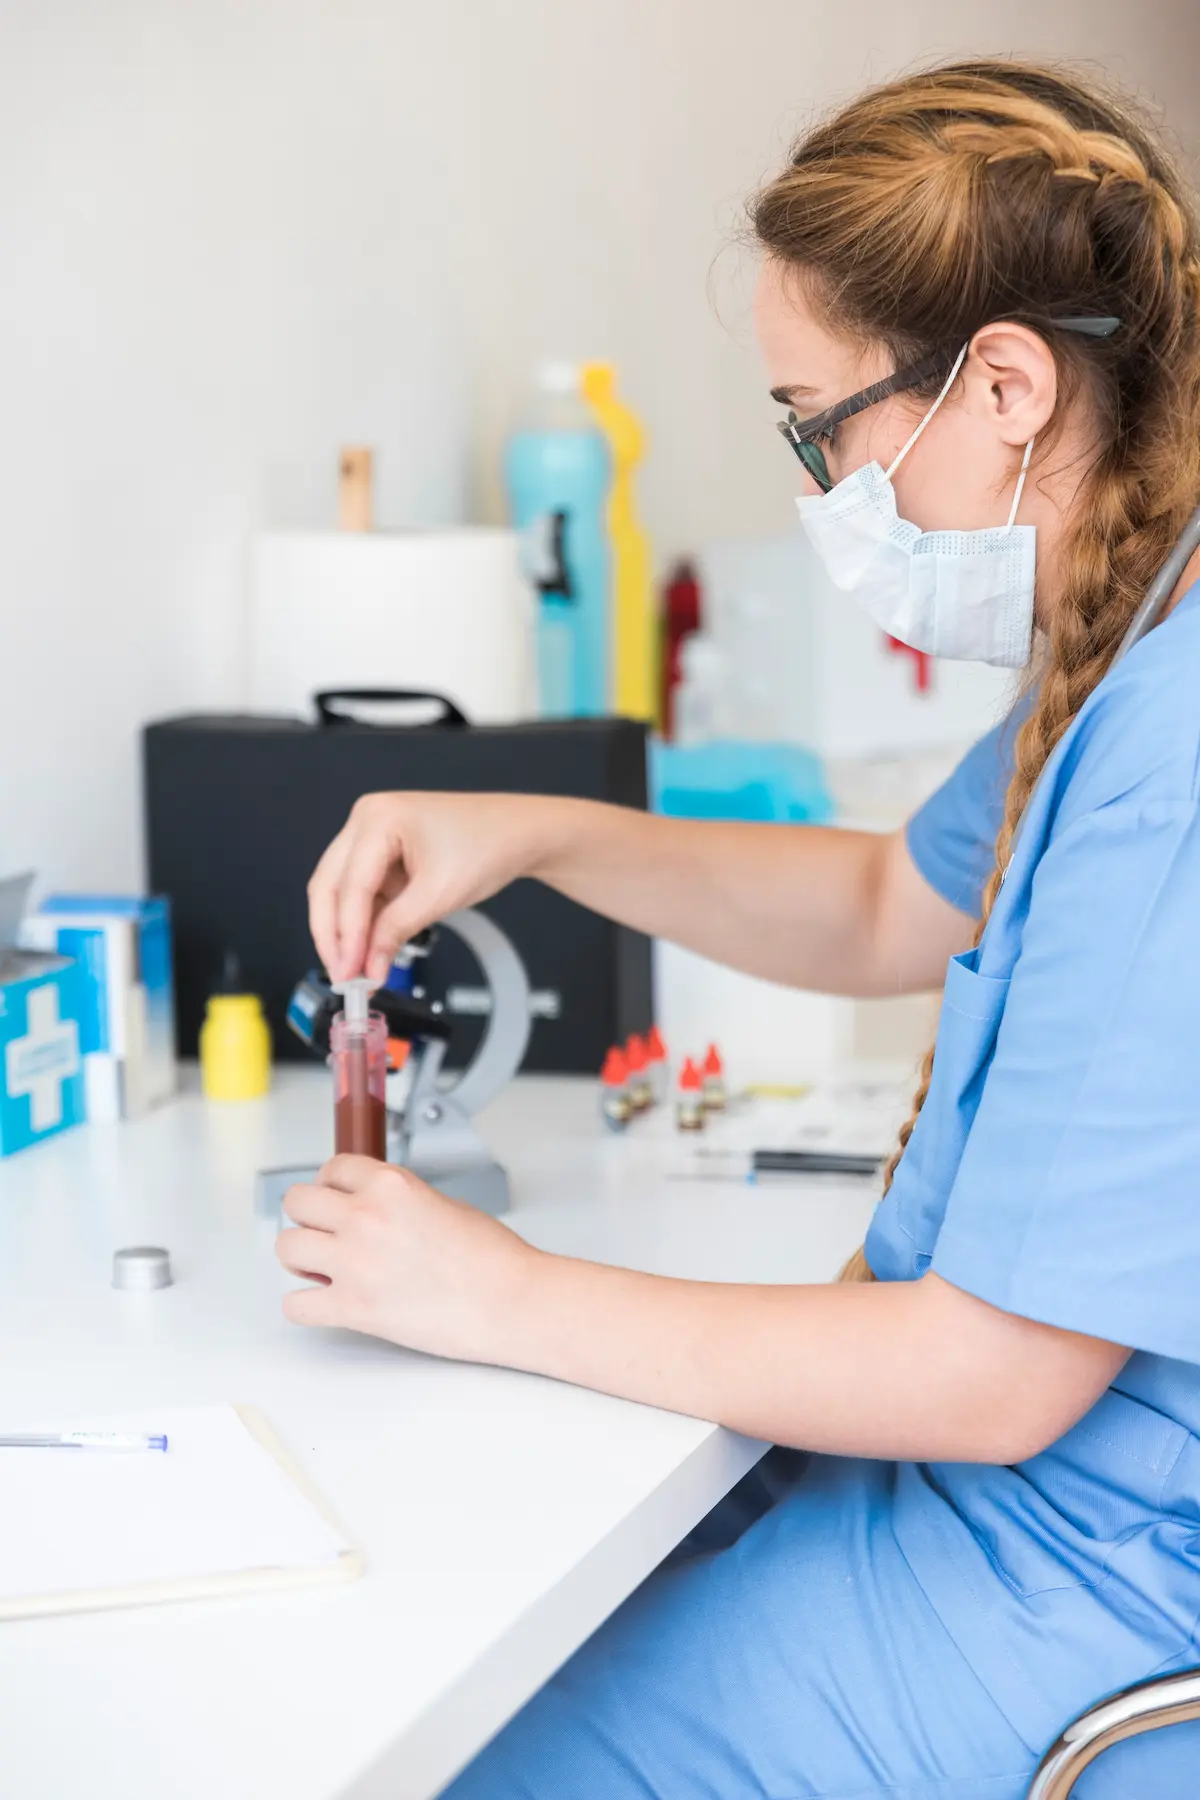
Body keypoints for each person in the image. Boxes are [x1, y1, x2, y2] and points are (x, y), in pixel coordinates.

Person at [277, 60, 1200, 1798]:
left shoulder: (1178, 762)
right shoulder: (1131, 643)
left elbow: (990, 1378)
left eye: (817, 424)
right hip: (983, 1498)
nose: (823, 485)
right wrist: (534, 829)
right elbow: (881, 904)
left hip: (1081, 1585)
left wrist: (497, 1290)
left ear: (1006, 384)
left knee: (466, 1760)